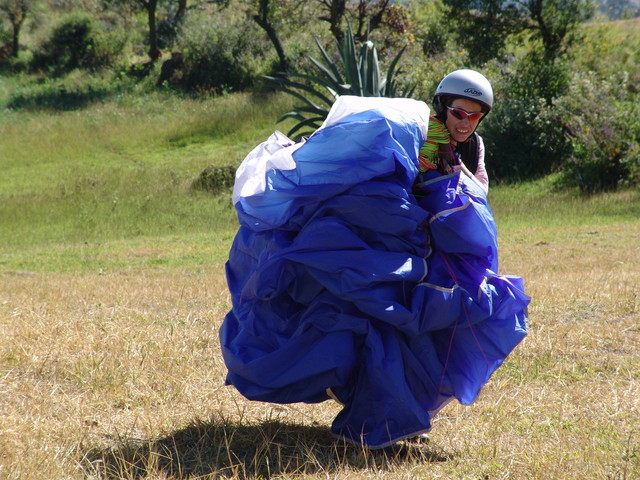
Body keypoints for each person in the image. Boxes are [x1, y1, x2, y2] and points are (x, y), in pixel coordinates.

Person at [417, 69, 493, 194]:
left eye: (474, 116)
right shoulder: (421, 134)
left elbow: (482, 192)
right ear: (442, 109)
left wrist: (459, 167)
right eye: (458, 113)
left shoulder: (475, 143)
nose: (465, 123)